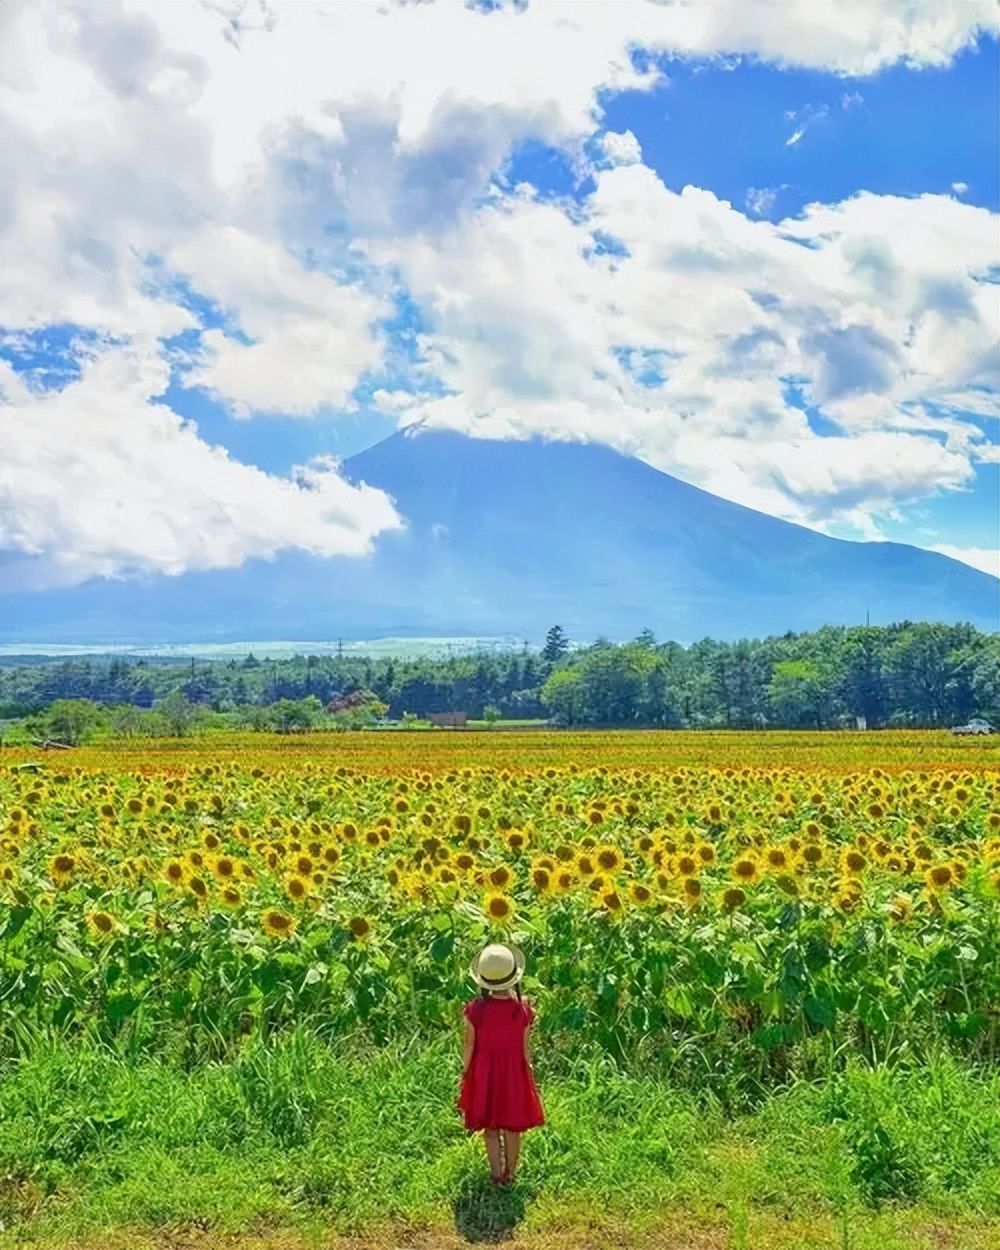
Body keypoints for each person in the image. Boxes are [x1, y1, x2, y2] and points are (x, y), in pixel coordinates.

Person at [458, 942, 545, 1185]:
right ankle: (511, 1173)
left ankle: (496, 1174)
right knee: (513, 1126)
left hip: (485, 1073)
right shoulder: (522, 1011)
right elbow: (525, 1050)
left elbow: (469, 1044)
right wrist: (528, 1072)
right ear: (514, 977)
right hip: (513, 1073)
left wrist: (465, 1071)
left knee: (491, 1127)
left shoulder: (476, 1010)